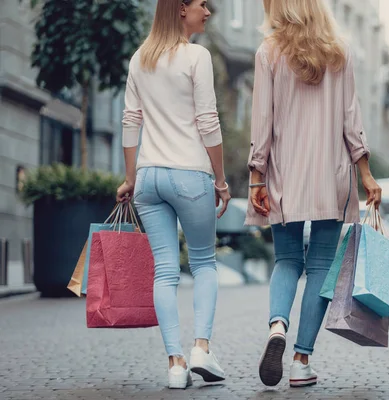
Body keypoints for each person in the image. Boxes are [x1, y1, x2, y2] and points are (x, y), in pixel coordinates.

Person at [245, 0, 382, 388]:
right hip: (331, 176)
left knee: (287, 259)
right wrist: (365, 172)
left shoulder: (268, 52)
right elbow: (351, 118)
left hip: (284, 176)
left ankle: (277, 325)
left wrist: (257, 175)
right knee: (320, 267)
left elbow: (262, 120)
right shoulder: (340, 53)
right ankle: (301, 360)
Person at [116, 0, 230, 390]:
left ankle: (175, 365)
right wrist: (221, 178)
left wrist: (130, 178)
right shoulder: (197, 56)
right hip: (190, 174)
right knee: (204, 264)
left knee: (165, 271)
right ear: (181, 9)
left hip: (148, 178)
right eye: (202, 4)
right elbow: (207, 121)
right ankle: (201, 347)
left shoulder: (139, 59)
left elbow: (131, 121)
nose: (208, 11)